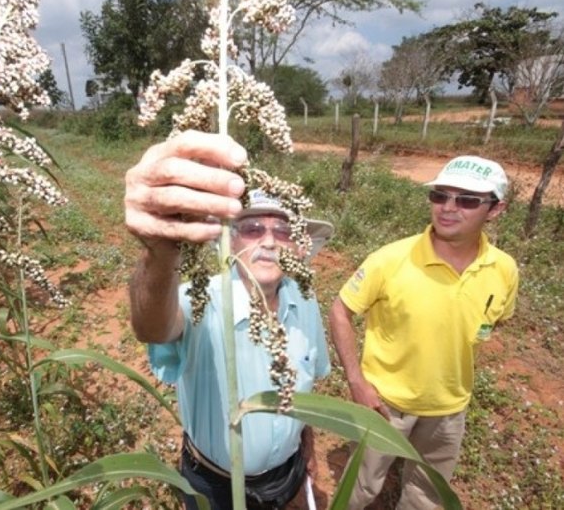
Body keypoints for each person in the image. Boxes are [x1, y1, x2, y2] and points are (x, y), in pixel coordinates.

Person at [125, 130, 334, 509]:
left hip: (285, 477)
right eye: (253, 228)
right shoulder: (199, 300)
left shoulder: (305, 301)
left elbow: (305, 387)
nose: (269, 242)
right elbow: (151, 326)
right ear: (230, 241)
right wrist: (161, 253)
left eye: (283, 230)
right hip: (213, 487)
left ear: (297, 245)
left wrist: (306, 445)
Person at [328, 155, 519, 509]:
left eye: (466, 200)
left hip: (449, 409)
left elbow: (496, 318)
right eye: (440, 196)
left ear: (495, 210)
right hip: (384, 405)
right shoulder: (391, 259)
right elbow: (341, 309)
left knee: (426, 496)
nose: (448, 208)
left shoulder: (504, 269)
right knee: (361, 488)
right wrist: (357, 381)